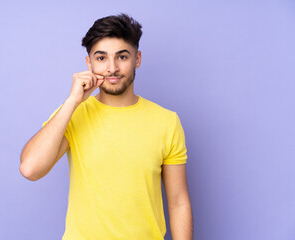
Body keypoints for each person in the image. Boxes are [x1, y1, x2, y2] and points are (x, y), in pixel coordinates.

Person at [20, 13, 193, 240]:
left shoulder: (167, 122)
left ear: (137, 59)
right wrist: (72, 101)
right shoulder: (74, 113)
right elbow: (30, 169)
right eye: (101, 58)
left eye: (122, 57)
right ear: (88, 63)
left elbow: (178, 201)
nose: (112, 68)